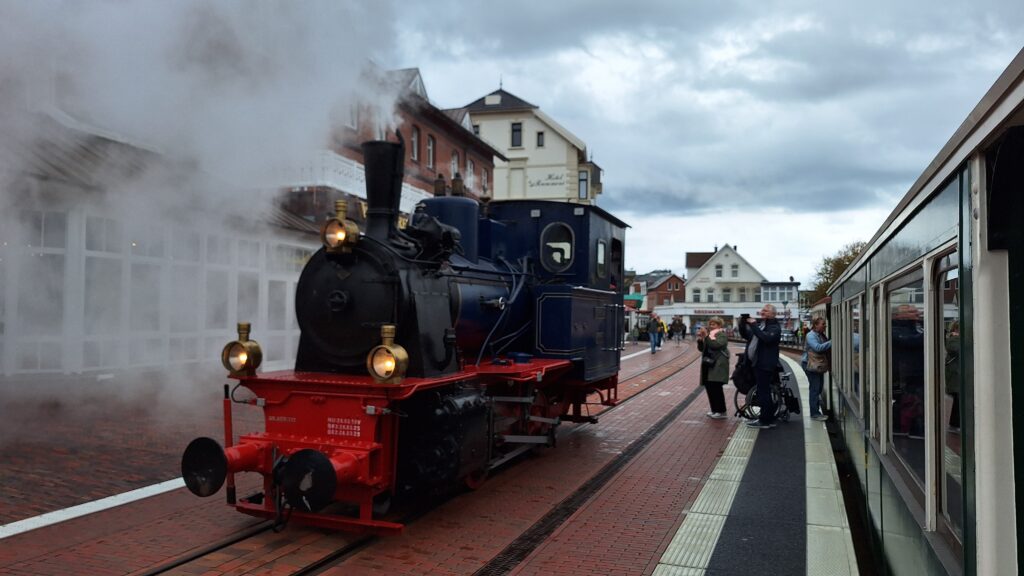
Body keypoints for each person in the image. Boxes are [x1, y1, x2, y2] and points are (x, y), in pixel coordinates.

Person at [740, 304, 782, 429]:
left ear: (773, 314)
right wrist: (742, 324)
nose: (762, 312)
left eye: (766, 310)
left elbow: (766, 338)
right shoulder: (762, 325)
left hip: (765, 364)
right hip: (757, 363)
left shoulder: (774, 327)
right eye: (762, 310)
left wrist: (753, 325)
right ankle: (766, 418)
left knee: (764, 392)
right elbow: (747, 335)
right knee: (763, 391)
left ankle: (765, 420)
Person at [697, 316, 729, 419]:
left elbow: (716, 345)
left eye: (713, 324)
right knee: (710, 387)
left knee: (716, 388)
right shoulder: (709, 335)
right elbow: (702, 349)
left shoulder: (721, 335)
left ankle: (721, 411)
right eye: (710, 324)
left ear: (719, 325)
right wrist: (701, 340)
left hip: (718, 365)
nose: (711, 326)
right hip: (708, 364)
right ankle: (714, 410)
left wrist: (706, 336)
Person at [802, 317, 832, 421]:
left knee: (818, 388)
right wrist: (833, 341)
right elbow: (817, 348)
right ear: (816, 325)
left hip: (817, 365)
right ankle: (814, 413)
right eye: (823, 324)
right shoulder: (811, 335)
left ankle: (815, 410)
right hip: (811, 365)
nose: (825, 326)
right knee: (815, 388)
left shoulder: (820, 335)